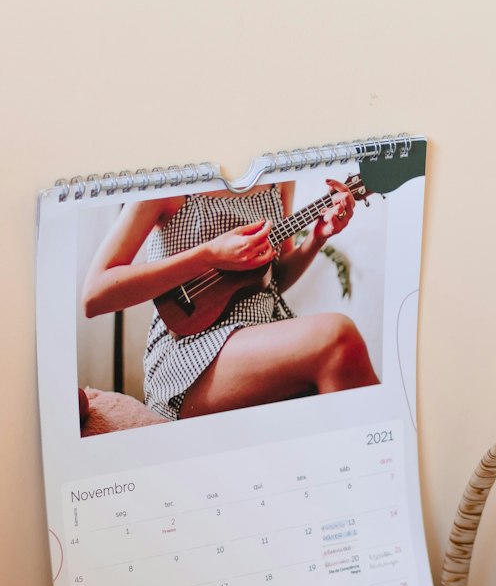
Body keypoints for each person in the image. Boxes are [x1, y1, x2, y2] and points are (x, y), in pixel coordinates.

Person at [81, 180, 377, 420]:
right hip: (188, 354)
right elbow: (94, 295)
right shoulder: (169, 184)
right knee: (337, 338)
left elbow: (273, 279)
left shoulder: (278, 180)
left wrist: (316, 238)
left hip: (261, 335)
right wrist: (208, 254)